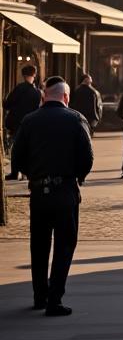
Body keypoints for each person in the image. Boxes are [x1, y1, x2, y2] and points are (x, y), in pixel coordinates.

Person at [11, 76, 93, 316]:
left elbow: (17, 159)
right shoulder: (76, 119)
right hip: (65, 189)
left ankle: (39, 295)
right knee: (65, 245)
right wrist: (77, 177)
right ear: (66, 97)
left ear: (45, 95)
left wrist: (34, 175)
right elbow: (87, 158)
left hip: (38, 192)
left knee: (38, 245)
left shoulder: (29, 120)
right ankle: (55, 299)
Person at [4, 65, 42, 181]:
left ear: (23, 75)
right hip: (31, 124)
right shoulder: (37, 92)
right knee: (29, 148)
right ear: (34, 75)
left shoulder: (19, 89)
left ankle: (15, 172)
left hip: (17, 123)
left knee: (16, 149)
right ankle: (28, 172)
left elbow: (7, 104)